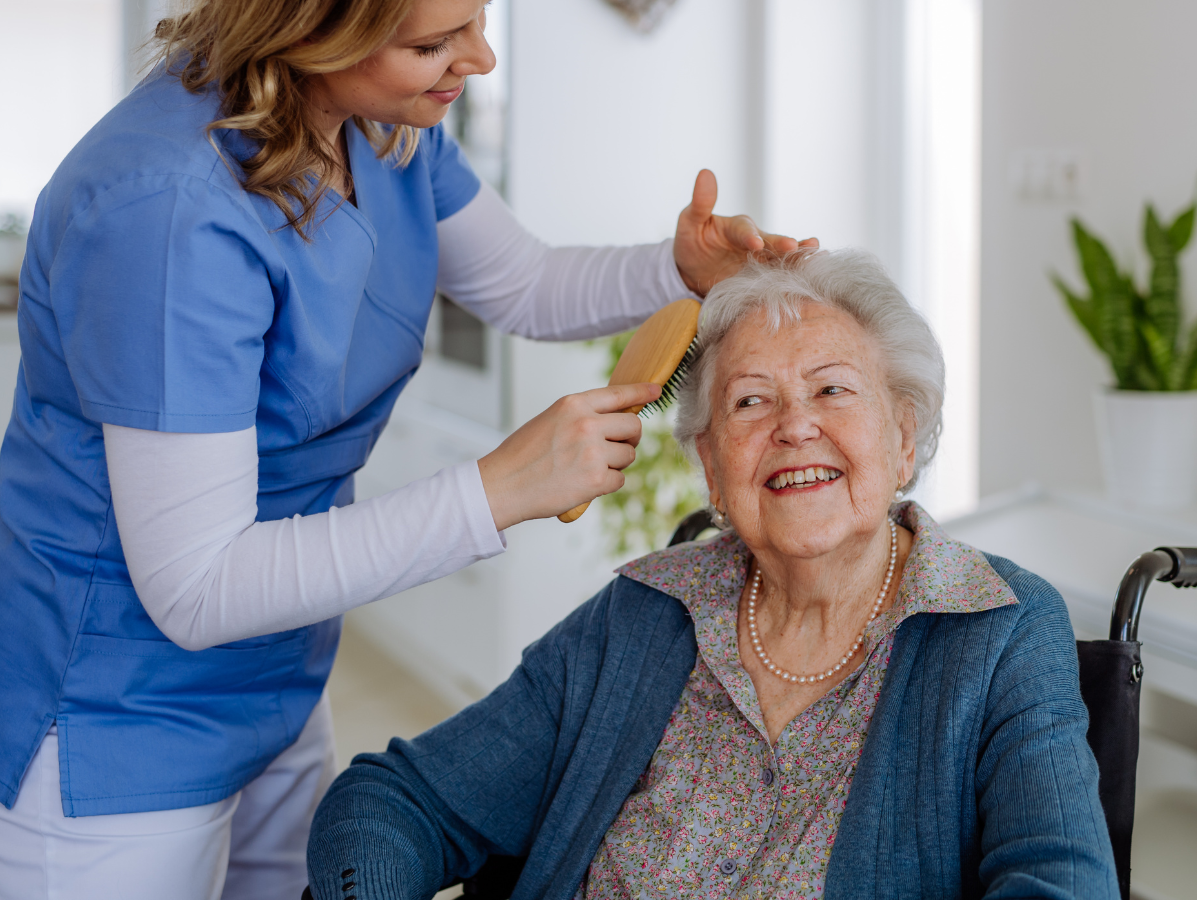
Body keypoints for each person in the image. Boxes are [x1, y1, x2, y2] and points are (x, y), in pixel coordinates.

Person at [0, 0, 808, 897]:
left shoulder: (377, 128)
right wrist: (498, 489)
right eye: (432, 45)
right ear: (311, 31)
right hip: (112, 711)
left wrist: (678, 269)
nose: (482, 58)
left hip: (276, 664)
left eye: (477, 19)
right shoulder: (166, 207)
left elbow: (527, 284)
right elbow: (196, 587)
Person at [305, 249, 1119, 900]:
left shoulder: (1002, 628)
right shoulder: (642, 615)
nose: (796, 425)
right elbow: (396, 800)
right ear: (711, 467)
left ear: (905, 437)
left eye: (833, 389)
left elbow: (1062, 881)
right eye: (750, 403)